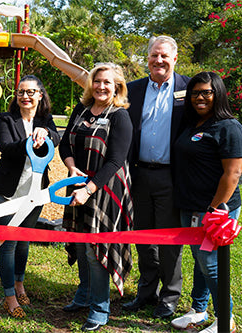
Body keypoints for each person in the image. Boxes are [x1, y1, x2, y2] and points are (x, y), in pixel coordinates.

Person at [59, 63, 134, 331]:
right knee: (81, 245)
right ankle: (84, 295)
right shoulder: (81, 110)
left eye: (107, 83)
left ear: (117, 87)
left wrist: (89, 189)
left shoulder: (120, 116)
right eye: (98, 81)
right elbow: (65, 141)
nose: (101, 87)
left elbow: (116, 160)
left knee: (95, 251)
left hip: (105, 189)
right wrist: (70, 165)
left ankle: (100, 309)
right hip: (77, 184)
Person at [170, 72, 242, 333]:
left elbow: (232, 174)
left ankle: (226, 320)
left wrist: (213, 211)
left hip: (216, 210)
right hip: (190, 205)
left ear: (219, 94)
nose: (199, 98)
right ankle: (199, 310)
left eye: (206, 92)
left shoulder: (229, 127)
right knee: (199, 261)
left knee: (211, 264)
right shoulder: (194, 124)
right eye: (195, 93)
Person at [123, 35, 191, 318]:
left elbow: (216, 118)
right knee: (142, 237)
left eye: (164, 56)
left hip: (171, 177)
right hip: (139, 175)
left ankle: (170, 297)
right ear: (147, 58)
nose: (159, 60)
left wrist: (240, 140)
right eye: (154, 55)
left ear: (174, 59)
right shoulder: (133, 89)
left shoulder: (189, 88)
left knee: (168, 240)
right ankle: (146, 292)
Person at [0, 75, 60, 318]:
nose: (25, 96)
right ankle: (10, 296)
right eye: (21, 92)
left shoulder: (45, 119)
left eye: (31, 92)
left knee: (24, 240)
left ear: (40, 95)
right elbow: (6, 147)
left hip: (36, 192)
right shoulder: (6, 118)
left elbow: (56, 138)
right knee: (8, 243)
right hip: (8, 192)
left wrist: (47, 134)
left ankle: (20, 283)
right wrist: (31, 140)